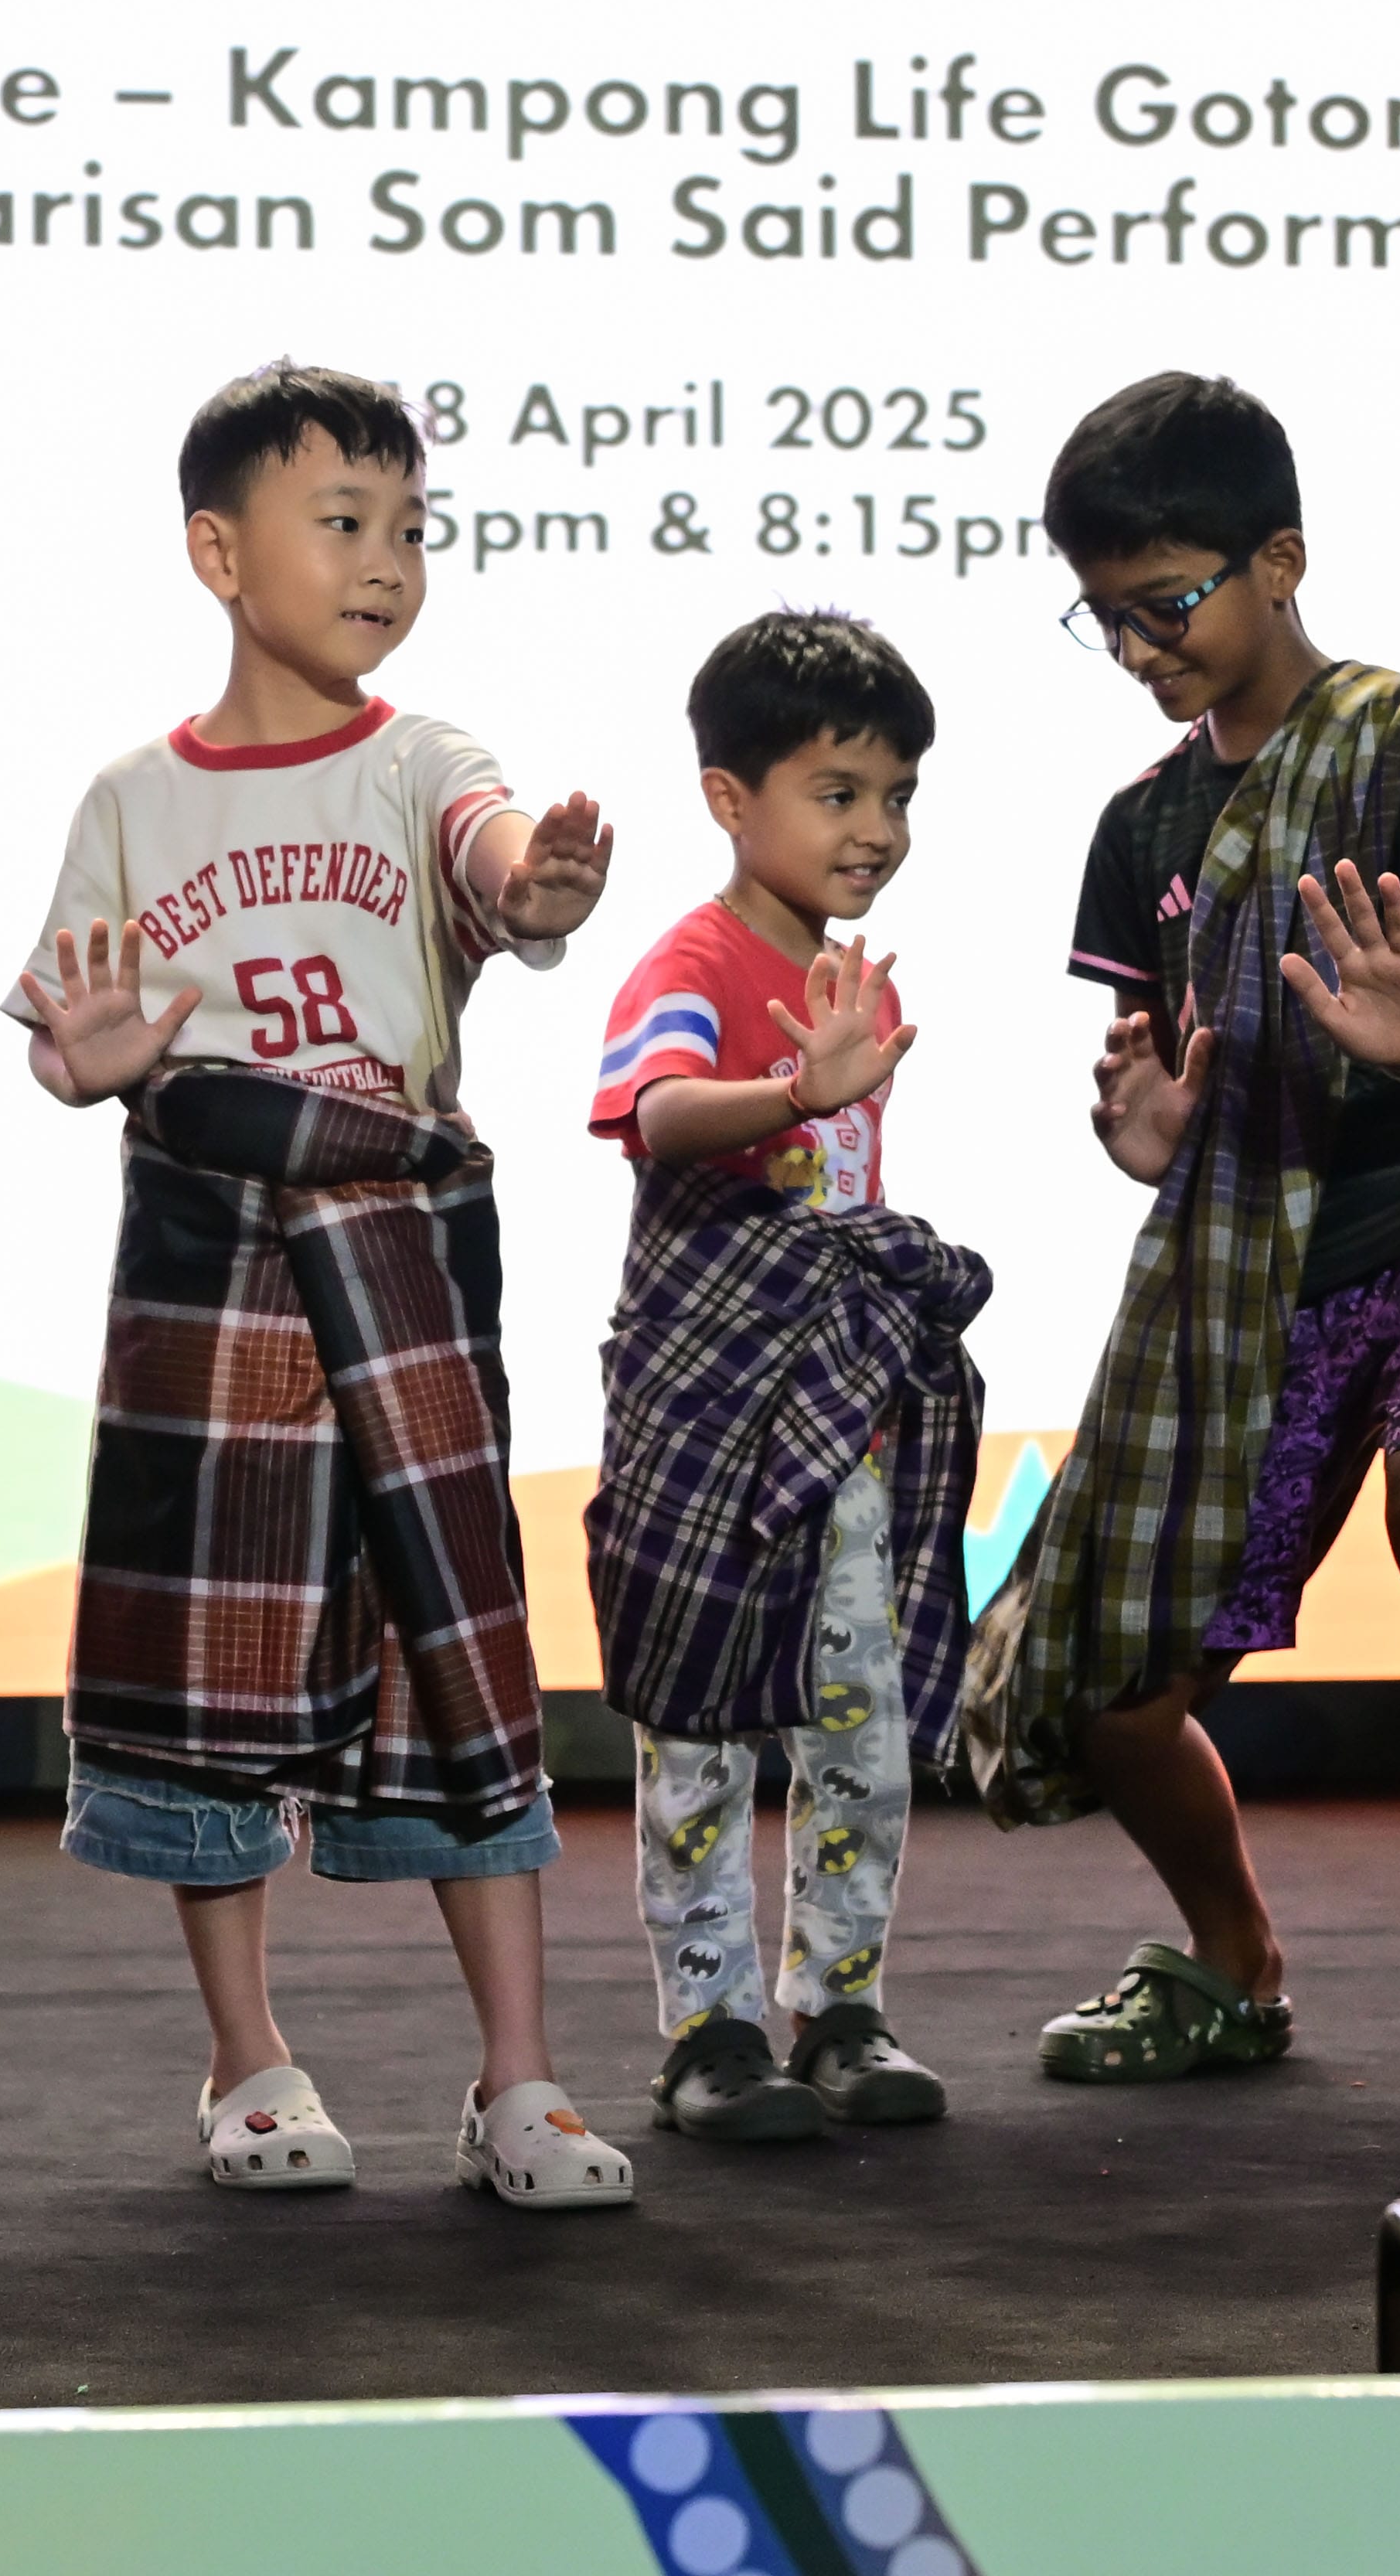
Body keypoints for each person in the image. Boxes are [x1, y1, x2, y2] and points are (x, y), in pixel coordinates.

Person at [962, 371, 1400, 2173]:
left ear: (1279, 561)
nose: (1135, 647)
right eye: (1102, 614)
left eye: (1168, 601)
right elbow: (1164, 1092)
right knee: (1112, 1683)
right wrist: (1149, 1142)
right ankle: (1236, 1963)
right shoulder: (1139, 831)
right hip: (1259, 1248)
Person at [8, 359, 632, 2210]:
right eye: (340, 522)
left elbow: (503, 870)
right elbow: (69, 1038)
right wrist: (96, 1061)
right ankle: (247, 2054)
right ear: (219, 548)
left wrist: (547, 887)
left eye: (410, 530)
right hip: (209, 1254)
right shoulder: (132, 793)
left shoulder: (422, 758)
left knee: (455, 1640)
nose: (384, 563)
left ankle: (518, 2078)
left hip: (397, 1249)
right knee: (212, 1663)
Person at [584, 609, 986, 2142]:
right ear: (727, 797)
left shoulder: (845, 976)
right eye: (840, 792)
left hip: (839, 1426)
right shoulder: (693, 960)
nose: (877, 830)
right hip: (707, 1418)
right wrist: (794, 1091)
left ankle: (840, 2011)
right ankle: (708, 2032)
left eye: (898, 797)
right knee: (697, 1721)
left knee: (856, 1723)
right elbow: (659, 1110)